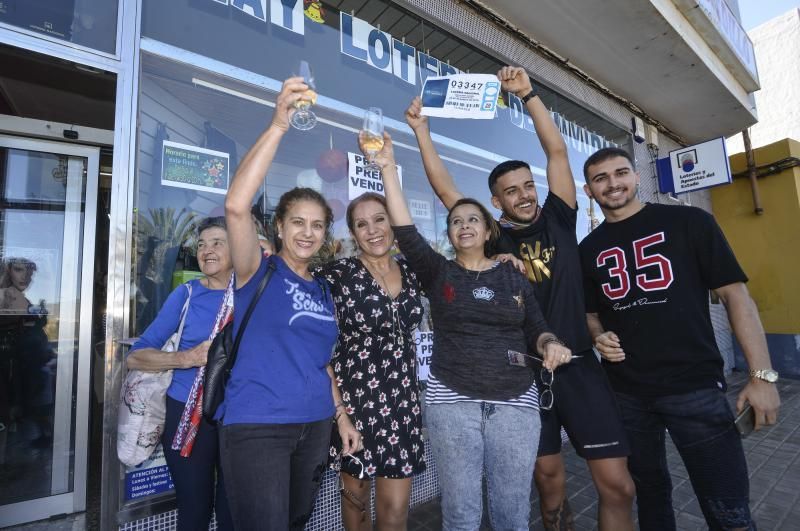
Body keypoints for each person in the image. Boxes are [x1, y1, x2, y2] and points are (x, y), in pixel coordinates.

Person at [405, 66, 635, 530]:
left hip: (581, 365)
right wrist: (421, 132)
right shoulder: (494, 243)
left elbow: (555, 149)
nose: (525, 195)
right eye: (512, 192)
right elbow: (444, 187)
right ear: (496, 203)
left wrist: (528, 94)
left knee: (618, 484)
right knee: (548, 481)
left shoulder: (559, 217)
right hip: (526, 377)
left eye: (528, 186)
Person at [367, 129, 573, 530]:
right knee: (461, 513)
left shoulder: (514, 275)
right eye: (456, 221)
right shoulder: (437, 271)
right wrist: (388, 169)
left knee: (512, 511)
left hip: (515, 403)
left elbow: (537, 327)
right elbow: (405, 230)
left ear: (487, 229)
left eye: (473, 219)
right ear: (449, 234)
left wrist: (551, 344)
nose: (464, 225)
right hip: (451, 402)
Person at [578, 146, 781, 530]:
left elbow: (737, 297)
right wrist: (598, 333)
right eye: (600, 178)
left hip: (695, 388)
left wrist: (762, 376)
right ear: (588, 190)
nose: (613, 183)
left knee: (728, 509)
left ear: (637, 177)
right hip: (627, 394)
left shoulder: (690, 222)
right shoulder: (587, 249)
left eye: (620, 172)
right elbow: (590, 314)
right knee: (651, 499)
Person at [220, 76, 361, 530]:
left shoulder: (323, 288)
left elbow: (321, 363)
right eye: (297, 222)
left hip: (315, 426)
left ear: (325, 235)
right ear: (279, 227)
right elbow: (237, 207)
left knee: (295, 523)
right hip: (257, 426)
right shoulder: (256, 271)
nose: (307, 232)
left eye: (317, 225)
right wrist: (279, 124)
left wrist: (341, 416)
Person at [315, 192, 426, 531]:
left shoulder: (414, 270)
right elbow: (290, 274)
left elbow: (465, 269)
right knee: (356, 502)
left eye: (379, 218)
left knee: (395, 511)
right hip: (355, 404)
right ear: (352, 233)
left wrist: (502, 256)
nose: (373, 229)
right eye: (361, 224)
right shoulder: (336, 275)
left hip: (403, 402)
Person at [127, 216, 234, 531]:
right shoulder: (186, 295)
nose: (207, 250)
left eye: (217, 242)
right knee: (195, 509)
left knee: (234, 511)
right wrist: (185, 358)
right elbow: (136, 357)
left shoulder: (252, 294)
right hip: (187, 414)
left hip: (241, 418)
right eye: (202, 244)